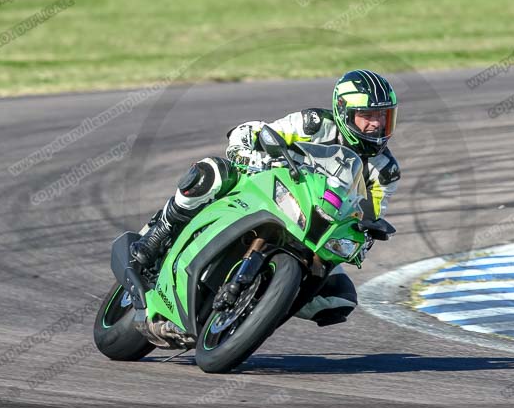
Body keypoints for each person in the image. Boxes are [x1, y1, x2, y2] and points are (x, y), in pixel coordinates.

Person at [130, 69, 401, 326]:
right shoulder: (315, 124)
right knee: (211, 171)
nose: (376, 124)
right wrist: (249, 154)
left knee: (340, 298)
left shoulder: (385, 171)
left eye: (383, 116)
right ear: (343, 112)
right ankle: (158, 234)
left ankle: (259, 312)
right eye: (367, 115)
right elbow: (250, 132)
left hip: (317, 226)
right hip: (271, 190)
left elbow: (371, 217)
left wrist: (362, 238)